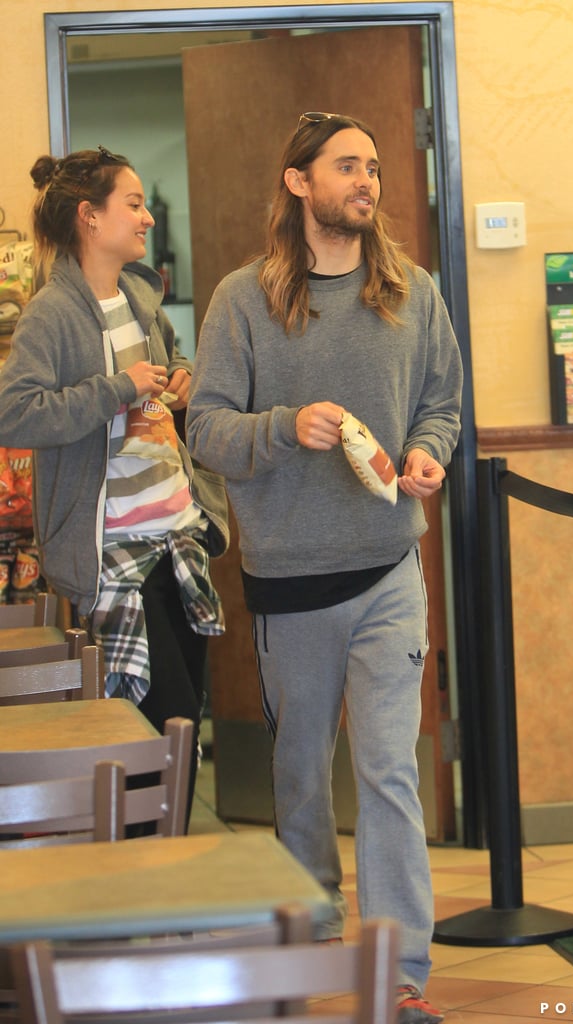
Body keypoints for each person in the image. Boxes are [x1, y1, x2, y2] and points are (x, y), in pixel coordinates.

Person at [186, 112, 463, 1023]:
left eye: (375, 168)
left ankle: (399, 977)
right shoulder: (241, 300)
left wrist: (427, 452)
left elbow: (441, 404)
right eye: (349, 166)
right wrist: (282, 426)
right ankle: (308, 952)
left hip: (389, 568)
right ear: (298, 181)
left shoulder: (413, 292)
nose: (368, 181)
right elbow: (208, 429)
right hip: (290, 583)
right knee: (302, 777)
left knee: (388, 773)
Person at [0, 147, 229, 820]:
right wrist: (115, 390)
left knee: (181, 731)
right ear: (88, 217)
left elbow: (167, 362)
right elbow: (16, 412)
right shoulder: (51, 314)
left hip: (177, 541)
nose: (146, 218)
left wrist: (178, 377)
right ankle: (143, 886)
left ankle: (166, 878)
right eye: (131, 204)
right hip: (115, 558)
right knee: (159, 729)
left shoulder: (140, 294)